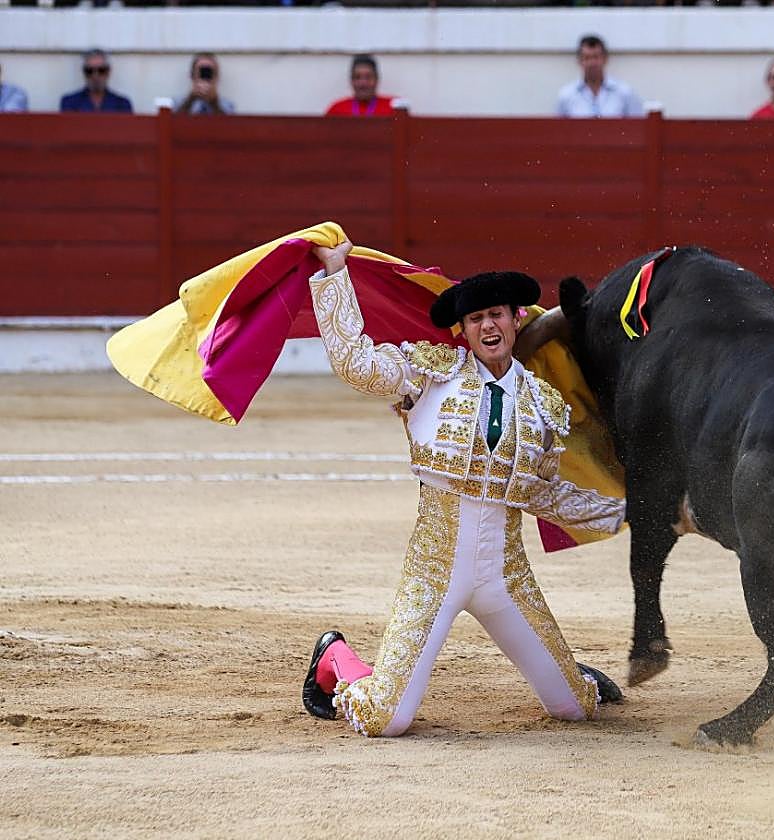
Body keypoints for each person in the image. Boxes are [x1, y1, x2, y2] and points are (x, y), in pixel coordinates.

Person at [301, 239, 625, 737]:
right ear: (463, 330)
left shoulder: (541, 403)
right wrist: (335, 276)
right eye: (475, 320)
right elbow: (356, 364)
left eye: (496, 315)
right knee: (386, 719)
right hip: (434, 573)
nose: (488, 327)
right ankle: (336, 658)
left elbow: (548, 496)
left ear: (518, 319)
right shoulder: (430, 375)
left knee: (576, 708)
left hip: (506, 577)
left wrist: (638, 512)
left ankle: (572, 676)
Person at [556, 34, 644, 119]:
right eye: (587, 58)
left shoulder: (624, 93)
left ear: (605, 59)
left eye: (596, 57)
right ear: (579, 61)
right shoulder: (567, 95)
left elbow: (639, 126)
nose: (592, 63)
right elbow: (559, 130)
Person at [60, 49, 133, 114]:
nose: (95, 76)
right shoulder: (69, 103)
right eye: (89, 71)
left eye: (101, 70)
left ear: (108, 72)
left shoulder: (122, 104)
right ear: (84, 72)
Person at [325, 54, 396, 117]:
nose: (363, 83)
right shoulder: (336, 110)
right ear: (351, 80)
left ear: (377, 79)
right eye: (357, 77)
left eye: (368, 77)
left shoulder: (394, 107)